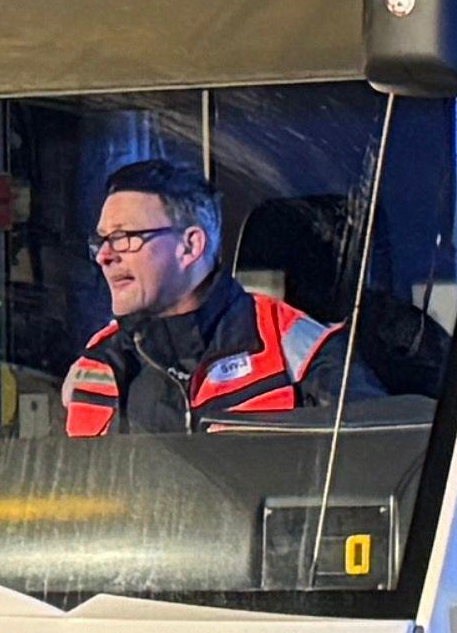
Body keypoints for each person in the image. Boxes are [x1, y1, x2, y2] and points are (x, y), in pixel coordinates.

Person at [59, 151, 341, 436]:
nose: (104, 256)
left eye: (123, 238)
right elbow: (60, 476)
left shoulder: (297, 348)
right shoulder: (98, 363)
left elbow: (368, 459)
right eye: (101, 240)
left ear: (190, 247)